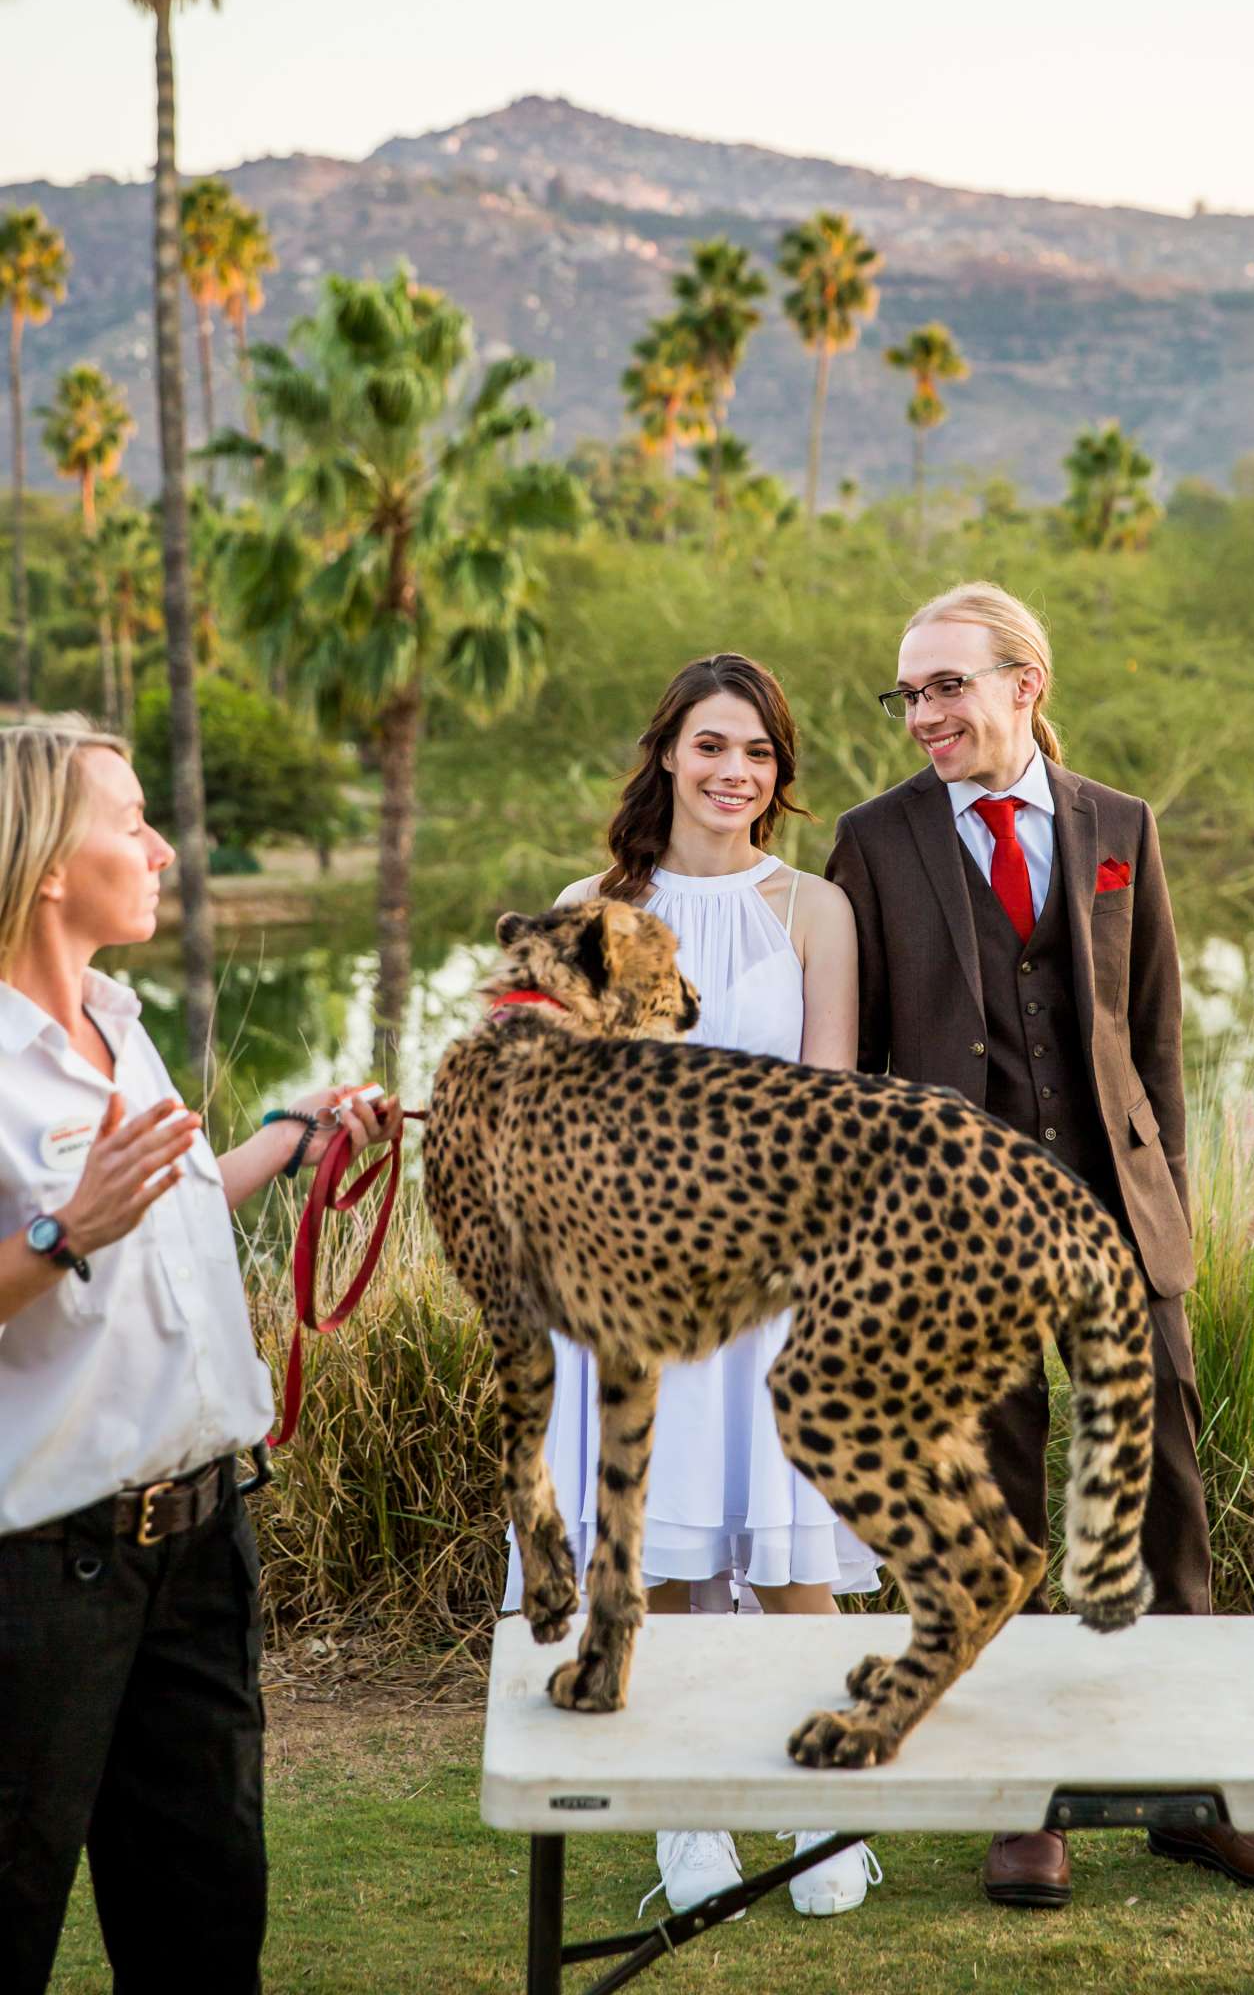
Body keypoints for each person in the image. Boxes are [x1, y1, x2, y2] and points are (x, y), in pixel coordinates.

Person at [826, 583, 1254, 1907]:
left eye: (945, 687)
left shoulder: (1120, 827)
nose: (922, 715)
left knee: (1166, 1498)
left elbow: (1152, 1031)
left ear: (1024, 685)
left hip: (1115, 1212)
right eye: (908, 694)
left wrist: (1163, 1198)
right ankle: (1024, 1801)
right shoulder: (873, 843)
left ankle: (1194, 1796)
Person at [0, 715, 400, 1995]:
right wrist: (65, 1232)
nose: (165, 848)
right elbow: (89, 1230)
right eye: (132, 822)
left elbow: (157, 1221)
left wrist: (290, 1133)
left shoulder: (116, 1019)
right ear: (50, 863)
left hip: (202, 1552)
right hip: (42, 1578)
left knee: (204, 1922)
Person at [500, 653, 882, 1922]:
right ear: (667, 751)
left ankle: (826, 1809)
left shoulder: (813, 909)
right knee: (659, 1553)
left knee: (789, 1563)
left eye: (761, 753)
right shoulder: (584, 903)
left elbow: (828, 1105)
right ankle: (689, 1820)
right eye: (713, 746)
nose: (736, 773)